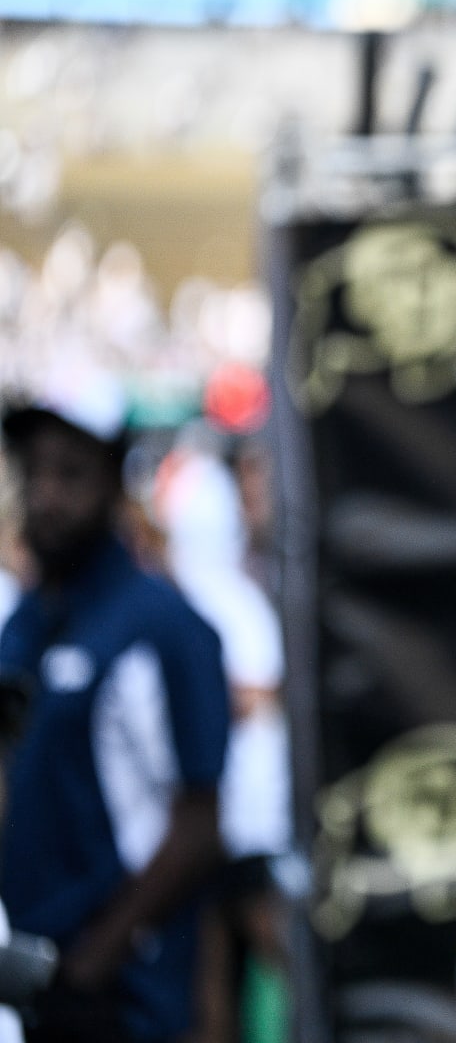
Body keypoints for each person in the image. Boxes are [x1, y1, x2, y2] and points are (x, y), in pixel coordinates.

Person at [0, 368, 230, 1043]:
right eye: (33, 471)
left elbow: (199, 823)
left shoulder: (164, 627)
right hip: (32, 978)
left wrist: (95, 959)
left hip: (126, 994)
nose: (46, 495)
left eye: (70, 474)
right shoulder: (24, 624)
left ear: (112, 480)